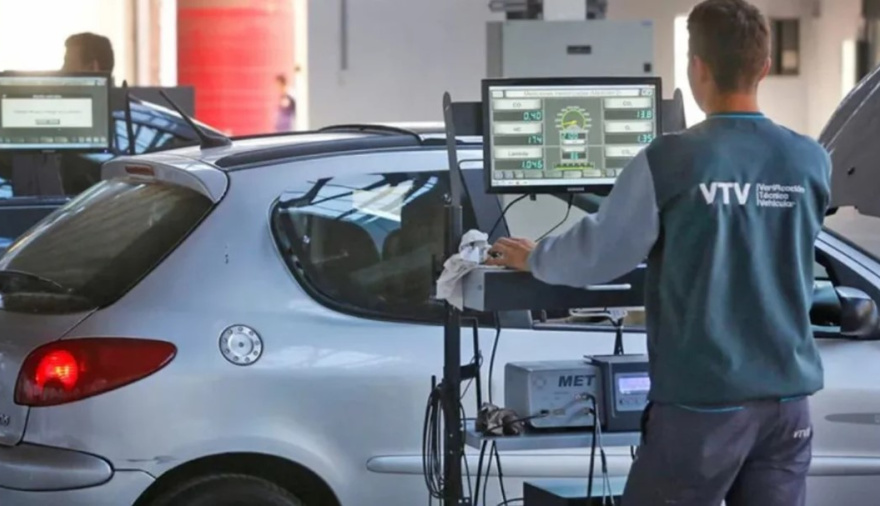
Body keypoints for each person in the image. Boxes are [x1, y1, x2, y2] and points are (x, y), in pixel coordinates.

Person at [487, 1, 831, 505]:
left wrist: (535, 257)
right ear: (765, 66)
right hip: (788, 406)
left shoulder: (672, 159)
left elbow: (601, 253)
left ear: (696, 67)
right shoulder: (810, 160)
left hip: (704, 404)